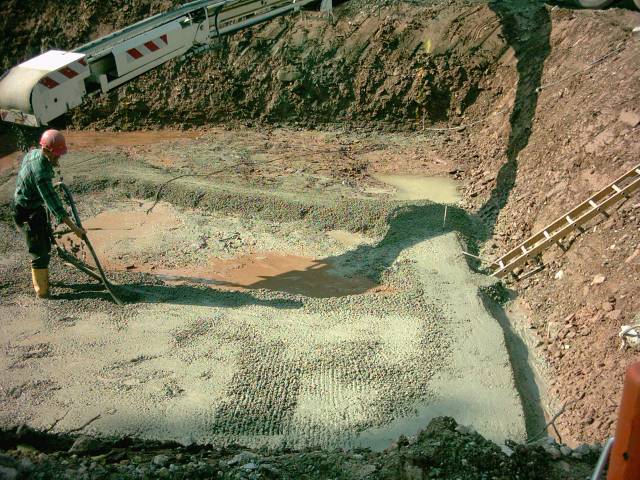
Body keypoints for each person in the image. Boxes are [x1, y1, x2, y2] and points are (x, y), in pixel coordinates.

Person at [12, 129, 86, 298]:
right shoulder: (41, 173)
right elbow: (54, 204)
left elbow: (38, 184)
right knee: (39, 252)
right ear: (46, 150)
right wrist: (75, 229)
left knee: (45, 241)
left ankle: (44, 281)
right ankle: (42, 292)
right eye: (56, 155)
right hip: (24, 212)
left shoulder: (33, 153)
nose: (58, 158)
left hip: (33, 206)